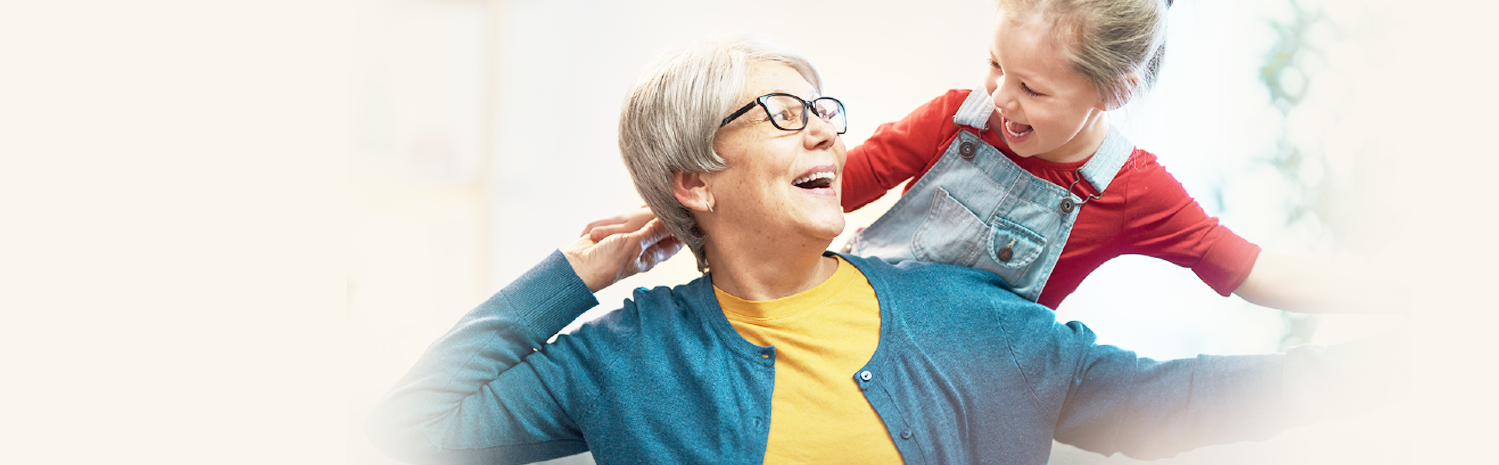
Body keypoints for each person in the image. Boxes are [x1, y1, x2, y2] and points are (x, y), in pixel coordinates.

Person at [366, 35, 1402, 464]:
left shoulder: (961, 316)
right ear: (693, 182)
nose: (824, 128)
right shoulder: (621, 359)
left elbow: (1174, 402)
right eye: (779, 112)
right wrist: (573, 275)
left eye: (823, 109)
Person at [840, 0, 1399, 313]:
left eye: (1032, 90)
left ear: (1115, 92)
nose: (1001, 96)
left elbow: (1248, 270)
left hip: (957, 386)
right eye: (995, 66)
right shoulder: (956, 118)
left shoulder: (1131, 191)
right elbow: (840, 186)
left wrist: (1388, 294)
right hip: (849, 311)